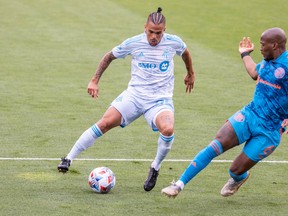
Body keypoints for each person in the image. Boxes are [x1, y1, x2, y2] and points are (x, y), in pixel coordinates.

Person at [57, 7, 195, 192]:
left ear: (165, 30)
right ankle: (68, 158)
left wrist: (190, 73)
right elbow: (109, 56)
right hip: (134, 96)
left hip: (160, 100)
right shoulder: (133, 43)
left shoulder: (173, 42)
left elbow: (185, 53)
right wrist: (94, 79)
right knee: (104, 123)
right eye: (150, 32)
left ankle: (155, 167)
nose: (154, 37)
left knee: (168, 129)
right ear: (145, 27)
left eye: (158, 33)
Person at [161, 27, 288, 198]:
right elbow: (254, 73)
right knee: (215, 145)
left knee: (235, 170)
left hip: (269, 130)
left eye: (262, 44)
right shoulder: (267, 60)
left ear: (274, 45)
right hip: (250, 115)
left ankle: (238, 178)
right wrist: (245, 54)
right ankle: (179, 185)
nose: (260, 47)